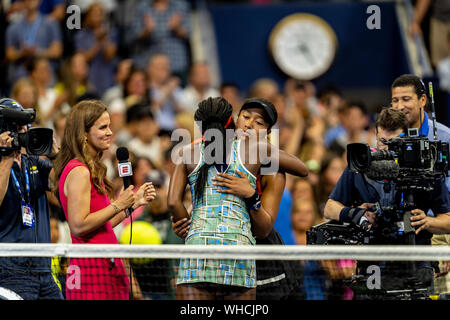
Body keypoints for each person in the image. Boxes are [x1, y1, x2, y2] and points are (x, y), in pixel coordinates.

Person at [170, 97, 308, 300]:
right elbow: (207, 195)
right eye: (246, 117)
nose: (250, 124)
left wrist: (251, 195)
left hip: (261, 252)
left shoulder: (273, 170)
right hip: (228, 251)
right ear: (234, 121)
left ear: (267, 133)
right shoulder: (206, 148)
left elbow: (262, 230)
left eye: (259, 122)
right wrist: (186, 221)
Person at [324, 107, 450, 298]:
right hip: (372, 262)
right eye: (382, 141)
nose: (386, 148)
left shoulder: (426, 169)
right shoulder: (359, 167)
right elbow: (330, 207)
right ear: (375, 135)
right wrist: (356, 214)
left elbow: (447, 219)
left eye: (394, 143)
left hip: (417, 262)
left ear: (406, 139)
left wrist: (428, 222)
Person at [52, 99, 156, 300]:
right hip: (91, 270)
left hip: (106, 265)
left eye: (109, 126)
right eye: (102, 127)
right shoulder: (79, 171)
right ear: (84, 134)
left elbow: (102, 225)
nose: (110, 132)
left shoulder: (90, 169)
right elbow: (78, 225)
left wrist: (132, 205)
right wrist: (118, 204)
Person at [0, 98, 62, 300]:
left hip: (43, 269)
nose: (24, 131)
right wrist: (6, 158)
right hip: (10, 270)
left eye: (25, 126)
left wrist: (56, 157)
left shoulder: (33, 162)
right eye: (18, 127)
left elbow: (57, 184)